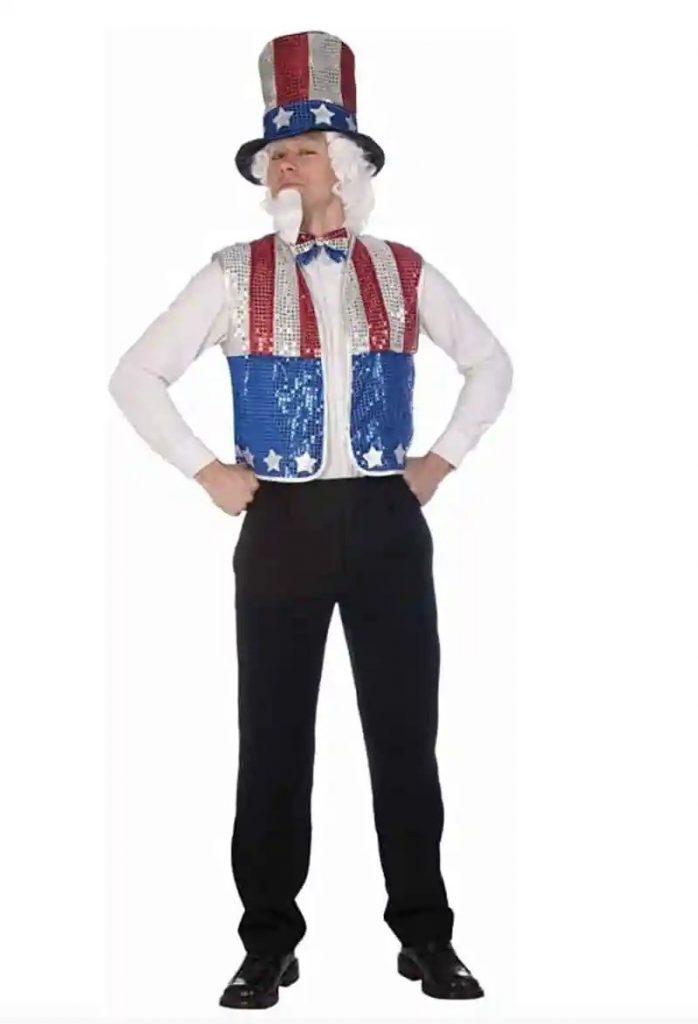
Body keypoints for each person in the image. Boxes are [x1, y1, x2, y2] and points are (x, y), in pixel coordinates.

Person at [108, 28, 513, 1010]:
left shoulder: (402, 268)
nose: (283, 167)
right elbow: (136, 375)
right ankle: (267, 942)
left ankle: (425, 935)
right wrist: (207, 470)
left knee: (404, 735)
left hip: (385, 520)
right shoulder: (231, 272)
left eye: (301, 151)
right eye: (274, 155)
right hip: (280, 523)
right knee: (274, 736)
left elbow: (490, 363)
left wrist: (439, 461)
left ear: (346, 165)